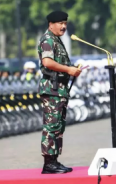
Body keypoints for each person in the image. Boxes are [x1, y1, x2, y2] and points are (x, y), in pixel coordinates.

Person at [37, 10, 81, 174]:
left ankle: (54, 160)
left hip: (59, 88)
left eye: (65, 23)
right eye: (60, 23)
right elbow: (47, 62)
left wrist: (72, 70)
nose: (63, 26)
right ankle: (48, 163)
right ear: (51, 24)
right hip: (52, 88)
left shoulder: (56, 40)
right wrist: (68, 69)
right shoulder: (48, 39)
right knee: (51, 125)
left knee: (58, 125)